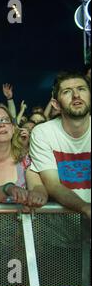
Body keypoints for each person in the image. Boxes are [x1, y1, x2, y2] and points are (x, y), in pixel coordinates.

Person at [29, 71, 91, 218]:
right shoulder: (43, 133)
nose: (76, 95)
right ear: (56, 104)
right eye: (67, 91)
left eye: (81, 89)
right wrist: (86, 208)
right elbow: (53, 185)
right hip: (61, 225)